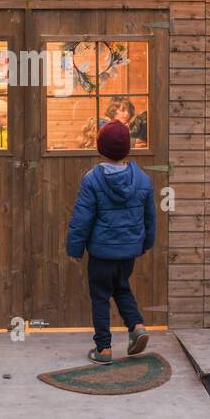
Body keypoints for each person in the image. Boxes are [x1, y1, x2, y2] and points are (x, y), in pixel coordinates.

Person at [66, 120, 156, 364]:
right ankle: (136, 326)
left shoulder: (92, 180)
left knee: (100, 296)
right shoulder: (142, 179)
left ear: (100, 148)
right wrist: (147, 243)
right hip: (128, 251)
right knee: (121, 287)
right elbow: (150, 216)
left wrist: (75, 248)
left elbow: (82, 217)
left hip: (102, 252)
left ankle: (103, 349)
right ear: (128, 148)